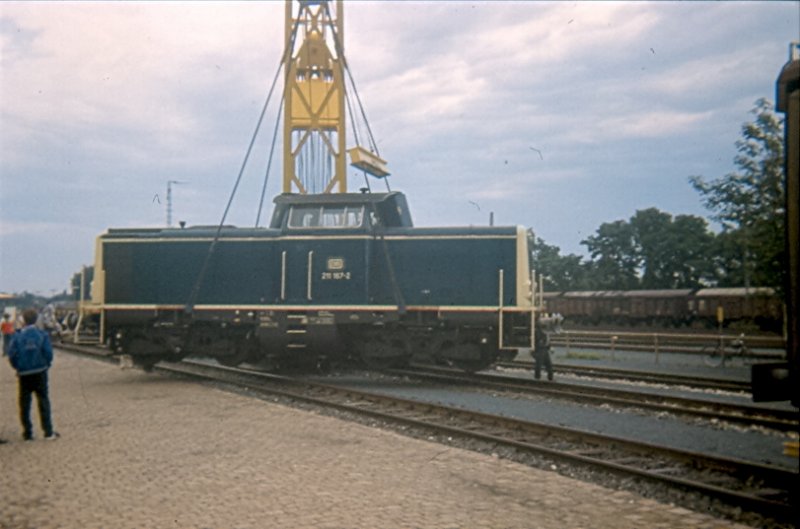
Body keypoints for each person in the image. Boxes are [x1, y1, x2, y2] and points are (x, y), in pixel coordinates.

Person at [7, 308, 59, 441]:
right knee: (43, 400)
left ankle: (28, 433)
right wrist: (46, 365)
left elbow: (12, 355)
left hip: (24, 373)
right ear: (36, 319)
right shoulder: (42, 335)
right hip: (40, 371)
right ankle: (48, 431)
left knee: (24, 403)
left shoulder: (17, 336)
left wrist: (18, 367)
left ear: (23, 320)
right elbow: (48, 353)